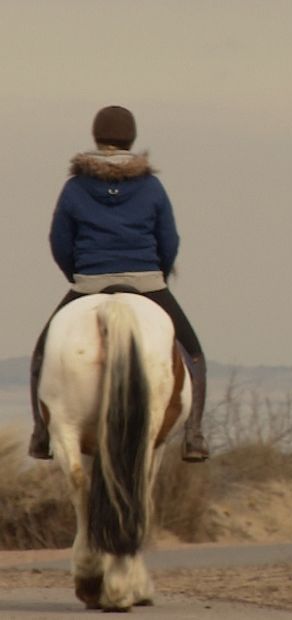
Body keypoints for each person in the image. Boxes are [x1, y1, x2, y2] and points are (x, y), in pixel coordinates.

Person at [28, 105, 209, 462]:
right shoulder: (152, 186)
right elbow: (169, 239)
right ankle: (194, 436)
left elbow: (59, 241)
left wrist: (79, 277)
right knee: (194, 354)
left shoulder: (75, 188)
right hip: (147, 283)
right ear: (132, 139)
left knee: (41, 354)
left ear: (96, 137)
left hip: (89, 283)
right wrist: (157, 274)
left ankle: (41, 434)